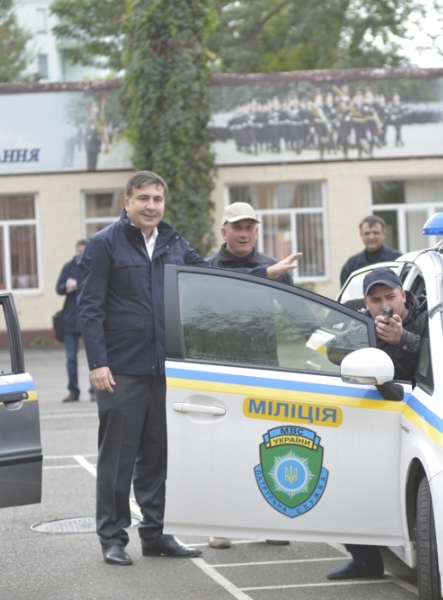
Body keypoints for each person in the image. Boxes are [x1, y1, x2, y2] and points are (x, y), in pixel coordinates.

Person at [78, 171, 300, 566]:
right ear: (126, 202)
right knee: (118, 458)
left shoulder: (173, 242)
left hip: (165, 369)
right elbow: (89, 308)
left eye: (158, 199)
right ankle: (112, 538)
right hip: (122, 370)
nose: (151, 206)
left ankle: (156, 534)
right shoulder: (103, 245)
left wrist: (266, 273)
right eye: (143, 198)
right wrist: (98, 363)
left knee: (158, 456)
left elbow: (211, 279)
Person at [326, 267, 428, 580]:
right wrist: (367, 330)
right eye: (375, 299)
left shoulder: (427, 318)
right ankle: (364, 558)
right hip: (371, 416)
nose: (385, 304)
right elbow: (332, 351)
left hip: (419, 416)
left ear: (404, 295)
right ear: (366, 303)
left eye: (390, 297)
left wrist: (403, 339)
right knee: (348, 481)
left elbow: (437, 358)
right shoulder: (365, 323)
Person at [205, 201, 292, 549]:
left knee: (266, 446)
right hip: (221, 371)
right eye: (235, 227)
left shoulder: (276, 267)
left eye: (249, 227)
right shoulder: (207, 268)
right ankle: (221, 523)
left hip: (264, 371)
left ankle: (270, 521)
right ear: (223, 231)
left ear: (256, 231)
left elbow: (296, 312)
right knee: (222, 449)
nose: (242, 233)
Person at [57, 239, 94, 402]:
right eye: (79, 252)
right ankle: (74, 391)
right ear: (75, 251)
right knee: (71, 358)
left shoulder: (93, 266)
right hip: (70, 320)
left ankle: (94, 391)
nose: (81, 255)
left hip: (89, 319)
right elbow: (58, 288)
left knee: (93, 356)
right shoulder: (68, 267)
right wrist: (67, 286)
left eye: (85, 251)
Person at [339, 216, 401, 286]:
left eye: (375, 233)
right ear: (361, 235)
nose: (371, 237)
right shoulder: (351, 264)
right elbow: (346, 295)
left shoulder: (398, 259)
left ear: (384, 234)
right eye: (367, 233)